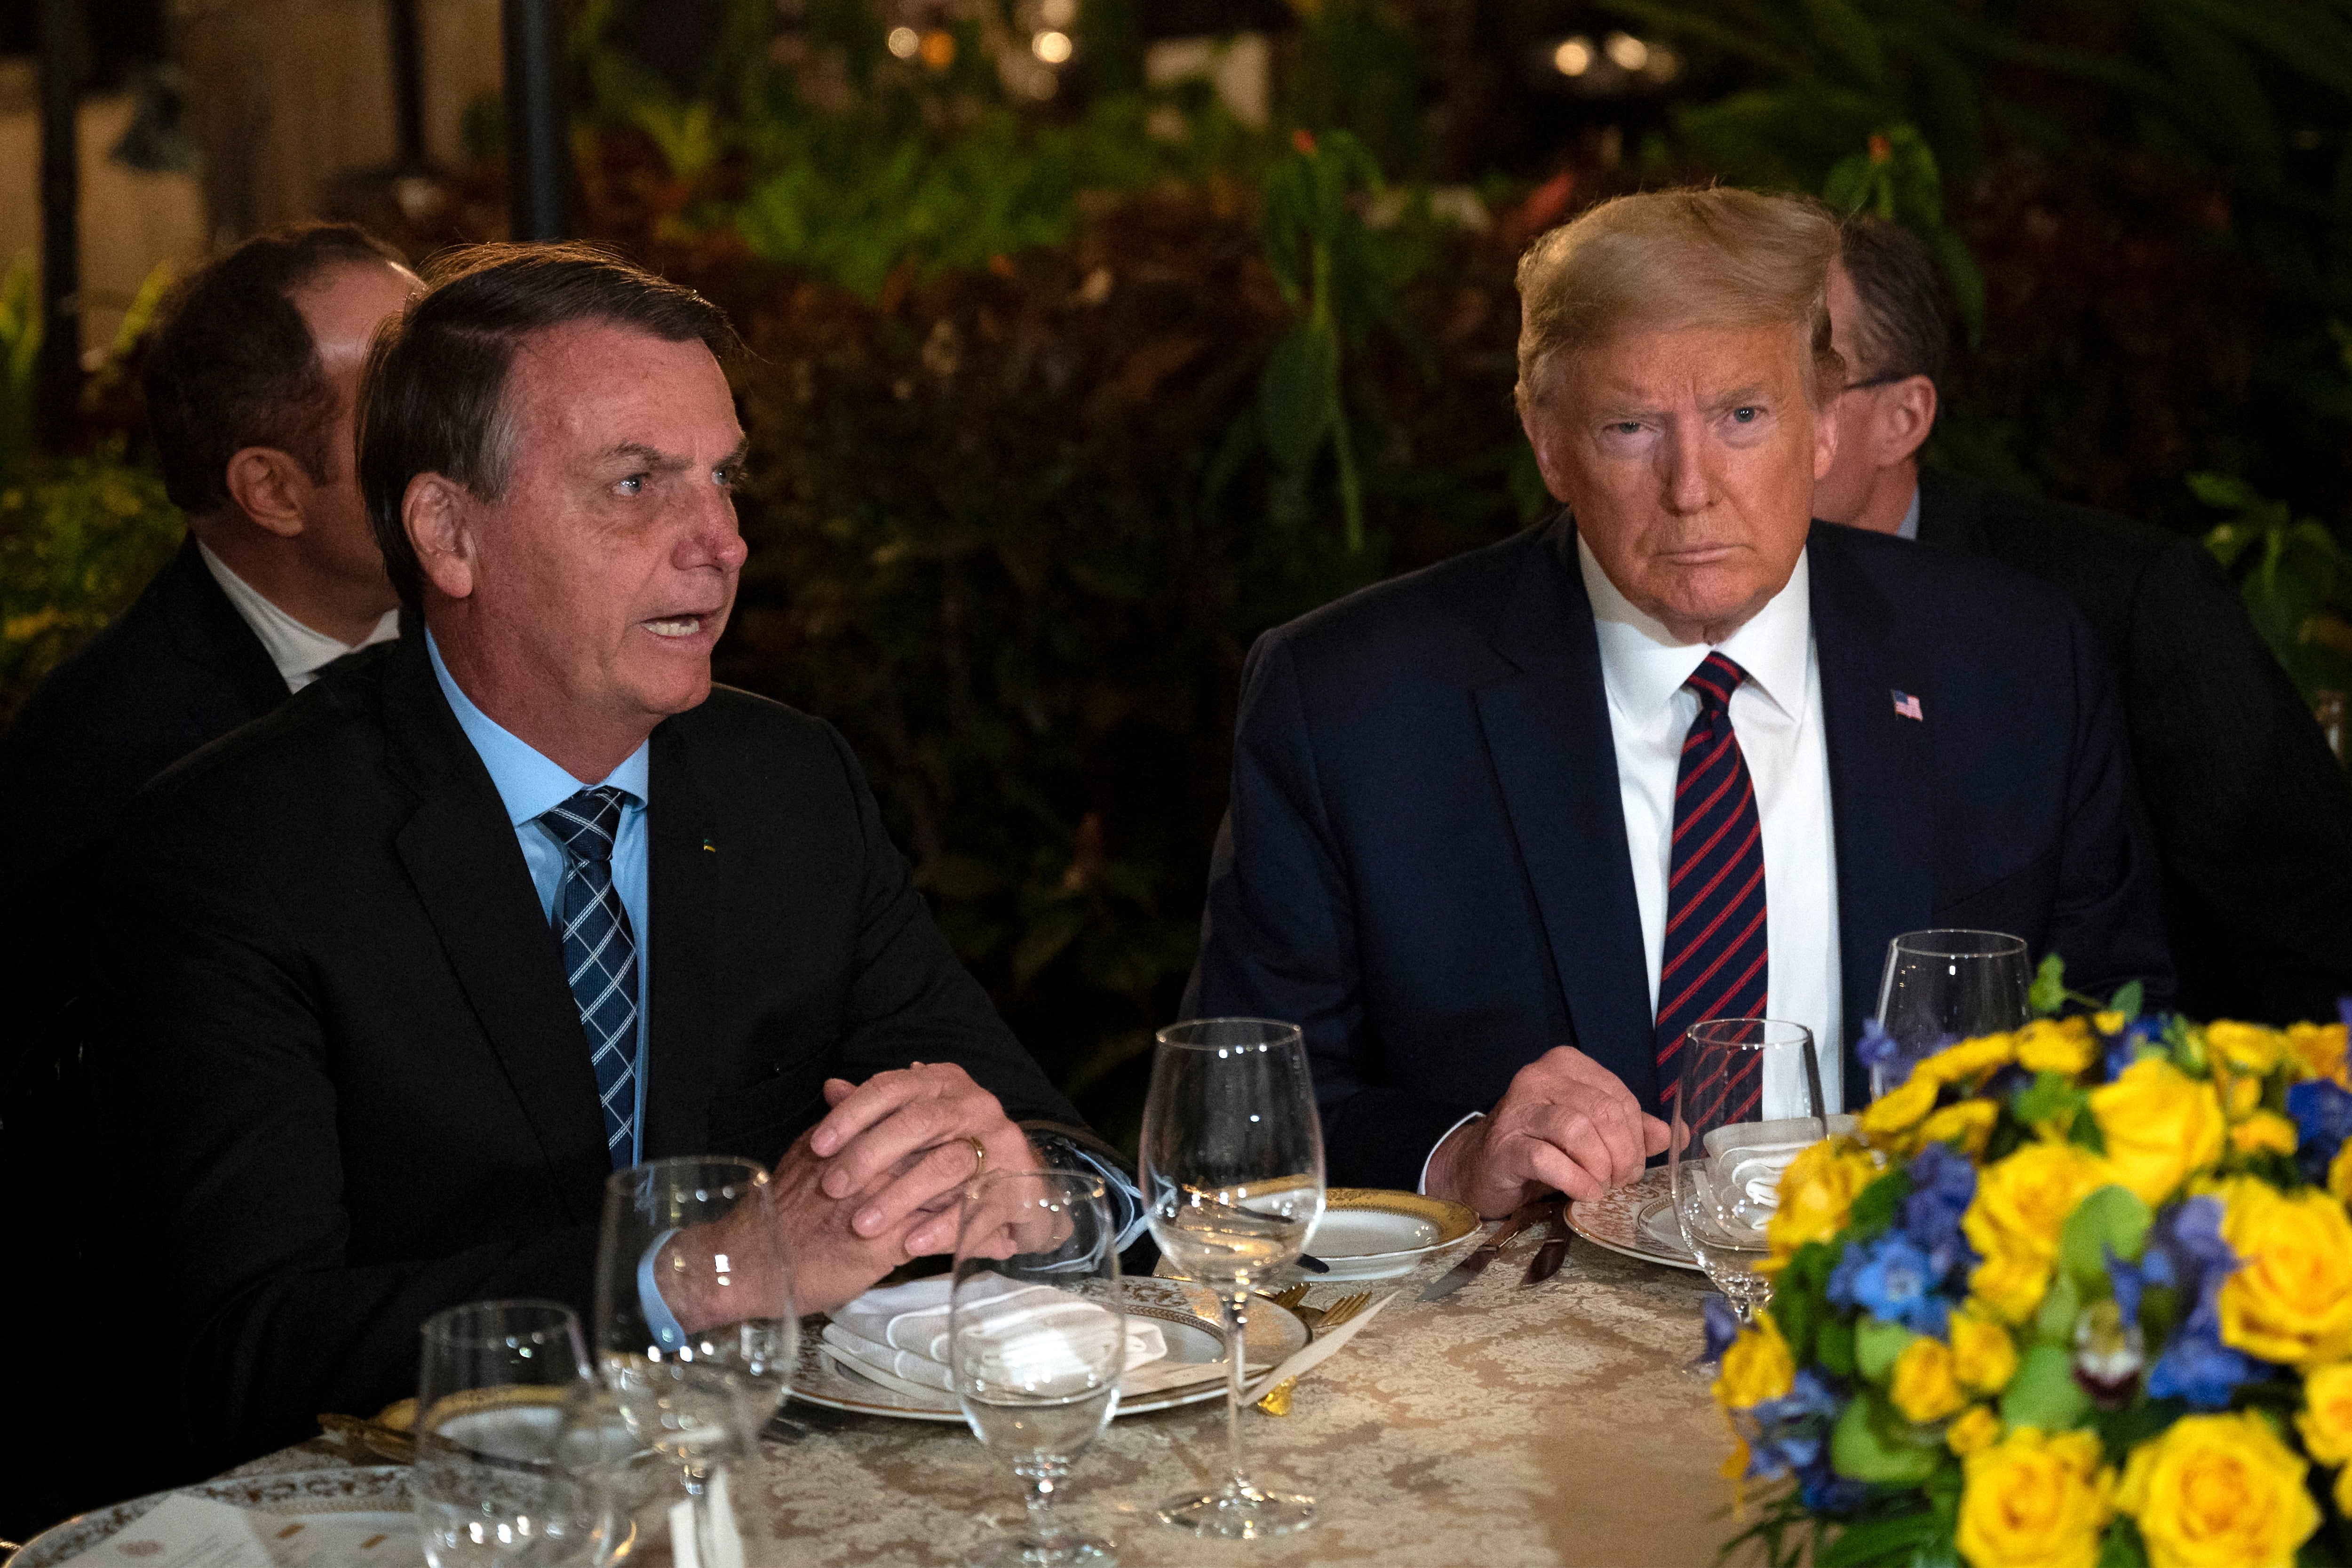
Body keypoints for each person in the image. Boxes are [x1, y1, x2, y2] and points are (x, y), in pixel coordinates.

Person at [92, 243, 1123, 1474]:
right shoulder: (240, 847)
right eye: (636, 484)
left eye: (724, 480)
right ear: (448, 531)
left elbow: (1070, 1156)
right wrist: (715, 1267)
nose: (723, 542)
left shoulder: (783, 783)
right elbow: (248, 1348)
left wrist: (1031, 1194)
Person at [1184, 188, 2172, 1220]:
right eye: (1630, 426)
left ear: (1826, 426)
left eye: (1742, 415)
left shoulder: (2011, 663)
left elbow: (2118, 1026)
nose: (1691, 487)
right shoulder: (1355, 701)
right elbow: (1235, 1116)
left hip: (1911, 1328)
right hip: (1524, 1352)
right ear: (1547, 442)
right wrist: (1464, 1155)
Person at [1815, 214, 2352, 1025]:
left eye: (1800, 385)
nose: (1746, 430)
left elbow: (2316, 932)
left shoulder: (2123, 598)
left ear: (1904, 419)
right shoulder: (1688, 611)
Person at [0, 223, 417, 1079]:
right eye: (402, 400)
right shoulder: (107, 765)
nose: (470, 420)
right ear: (271, 489)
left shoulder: (511, 625)